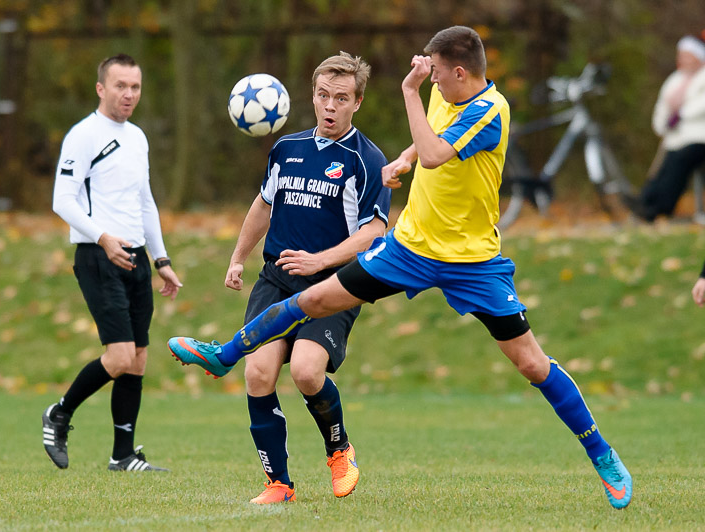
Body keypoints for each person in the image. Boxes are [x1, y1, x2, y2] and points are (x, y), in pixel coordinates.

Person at [169, 26, 634, 509]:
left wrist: (411, 94)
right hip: (409, 248)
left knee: (532, 363)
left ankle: (602, 455)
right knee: (310, 298)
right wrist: (404, 159)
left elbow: (436, 152)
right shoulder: (444, 93)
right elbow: (427, 144)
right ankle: (224, 355)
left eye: (435, 73)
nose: (428, 80)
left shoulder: (490, 110)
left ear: (460, 72)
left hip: (471, 261)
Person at [171, 52, 391, 504]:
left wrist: (318, 261)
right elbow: (263, 205)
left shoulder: (366, 160)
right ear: (312, 95)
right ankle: (279, 485)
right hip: (276, 279)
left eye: (341, 98)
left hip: (333, 284)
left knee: (308, 373)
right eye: (323, 95)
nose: (330, 106)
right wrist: (237, 256)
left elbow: (373, 233)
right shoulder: (286, 148)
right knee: (258, 374)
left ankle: (339, 449)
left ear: (358, 103)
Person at [43, 53, 182, 472]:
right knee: (120, 357)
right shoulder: (82, 136)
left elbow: (145, 202)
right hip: (98, 256)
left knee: (137, 359)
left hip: (137, 258)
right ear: (101, 88)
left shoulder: (138, 137)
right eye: (120, 86)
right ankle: (60, 413)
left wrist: (161, 259)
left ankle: (123, 455)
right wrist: (102, 238)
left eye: (135, 87)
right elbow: (61, 200)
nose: (129, 94)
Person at [629, 32, 705, 222]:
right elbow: (662, 106)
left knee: (678, 162)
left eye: (688, 55)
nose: (683, 59)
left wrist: (680, 115)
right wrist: (663, 125)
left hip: (699, 137)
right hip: (675, 138)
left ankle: (661, 207)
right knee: (662, 168)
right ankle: (645, 202)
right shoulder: (675, 80)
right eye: (681, 55)